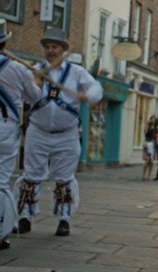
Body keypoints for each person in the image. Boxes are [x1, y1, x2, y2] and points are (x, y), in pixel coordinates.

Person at [14, 27, 103, 236]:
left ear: (63, 50)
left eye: (55, 47)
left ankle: (64, 219)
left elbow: (96, 88)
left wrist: (87, 95)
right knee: (31, 176)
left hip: (66, 134)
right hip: (38, 131)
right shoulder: (35, 70)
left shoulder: (76, 72)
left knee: (64, 178)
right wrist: (34, 82)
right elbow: (26, 97)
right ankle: (25, 216)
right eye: (47, 47)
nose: (51, 50)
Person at [0, 19, 41, 249]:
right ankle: (1, 232)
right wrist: (35, 79)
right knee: (2, 181)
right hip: (5, 128)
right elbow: (34, 97)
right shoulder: (17, 69)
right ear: (4, 43)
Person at [143, 115, 158, 181]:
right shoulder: (148, 126)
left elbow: (157, 137)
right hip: (147, 143)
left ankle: (149, 175)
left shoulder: (156, 128)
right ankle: (144, 175)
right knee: (147, 160)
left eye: (154, 119)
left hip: (154, 144)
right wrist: (147, 123)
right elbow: (145, 132)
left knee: (151, 161)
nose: (153, 120)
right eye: (152, 119)